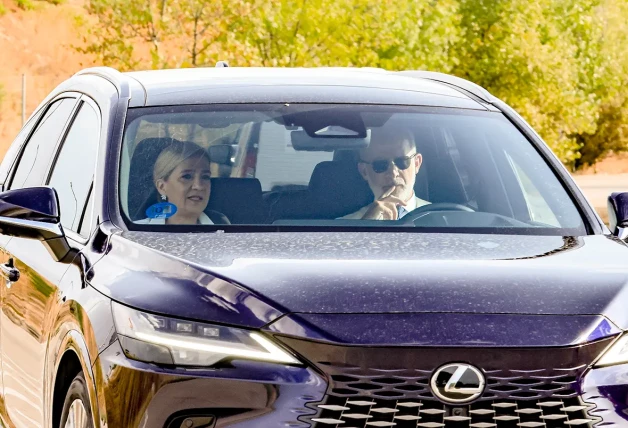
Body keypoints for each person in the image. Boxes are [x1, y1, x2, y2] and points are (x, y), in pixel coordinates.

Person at [343, 127, 430, 220]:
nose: (393, 173)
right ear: (364, 171)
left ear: (417, 164)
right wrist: (366, 225)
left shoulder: (443, 219)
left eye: (402, 162)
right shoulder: (343, 227)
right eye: (380, 165)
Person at [137, 140, 229, 225]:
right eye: (186, 176)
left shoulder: (227, 232)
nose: (199, 186)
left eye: (205, 177)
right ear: (161, 187)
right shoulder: (133, 236)